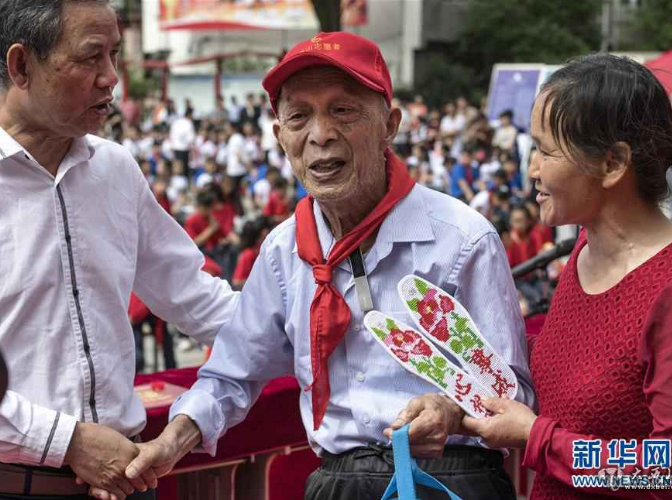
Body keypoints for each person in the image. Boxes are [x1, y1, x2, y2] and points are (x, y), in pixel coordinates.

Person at [114, 31, 534, 500]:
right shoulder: (283, 251)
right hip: (338, 481)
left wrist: (452, 411)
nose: (320, 135)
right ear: (280, 136)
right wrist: (170, 443)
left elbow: (515, 393)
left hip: (449, 478)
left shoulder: (462, 239)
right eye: (299, 117)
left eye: (343, 111)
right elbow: (232, 373)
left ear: (390, 125)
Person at [409, 53, 672, 499]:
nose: (532, 170)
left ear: (613, 163)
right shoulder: (583, 250)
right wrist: (457, 405)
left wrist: (537, 438)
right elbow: (566, 384)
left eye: (545, 151)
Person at [0, 1, 238, 499]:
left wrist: (313, 329)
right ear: (21, 66)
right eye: (91, 57)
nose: (111, 78)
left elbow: (196, 297)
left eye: (114, 55)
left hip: (127, 480)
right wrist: (67, 442)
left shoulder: (115, 169)